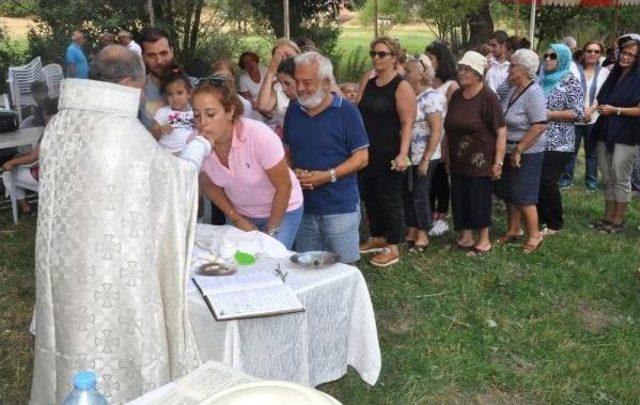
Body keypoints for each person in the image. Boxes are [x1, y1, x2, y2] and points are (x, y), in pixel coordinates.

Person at [31, 45, 205, 404]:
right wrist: (200, 146)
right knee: (111, 331)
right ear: (127, 83)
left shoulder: (61, 124)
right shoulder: (123, 133)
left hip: (66, 262)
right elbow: (173, 181)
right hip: (110, 269)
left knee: (70, 333)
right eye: (140, 87)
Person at [197, 77, 304, 249]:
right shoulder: (196, 142)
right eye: (196, 114)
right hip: (240, 212)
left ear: (230, 111)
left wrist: (270, 234)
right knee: (238, 262)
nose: (202, 122)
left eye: (210, 114)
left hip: (283, 210)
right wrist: (236, 218)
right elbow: (207, 182)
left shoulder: (259, 136)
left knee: (269, 260)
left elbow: (284, 187)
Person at [283, 51, 368, 263]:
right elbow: (286, 151)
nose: (300, 88)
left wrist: (327, 175)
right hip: (302, 208)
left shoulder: (346, 112)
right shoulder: (293, 110)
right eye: (297, 81)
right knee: (307, 268)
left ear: (326, 82)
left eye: (307, 82)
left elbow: (362, 157)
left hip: (339, 208)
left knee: (344, 268)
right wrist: (293, 172)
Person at [358, 36, 416, 267]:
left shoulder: (401, 86)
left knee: (390, 198)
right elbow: (357, 108)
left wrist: (403, 155)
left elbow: (407, 124)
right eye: (373, 53)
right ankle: (378, 236)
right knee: (370, 195)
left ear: (394, 58)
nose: (376, 58)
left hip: (390, 151)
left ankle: (393, 246)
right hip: (367, 149)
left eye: (382, 54)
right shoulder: (368, 80)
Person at [443, 51, 506, 256]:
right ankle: (466, 236)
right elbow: (448, 126)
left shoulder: (488, 97)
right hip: (458, 158)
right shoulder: (457, 95)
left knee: (478, 199)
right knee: (460, 197)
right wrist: (446, 153)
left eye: (466, 69)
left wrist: (498, 161)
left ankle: (484, 239)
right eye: (460, 68)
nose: (461, 72)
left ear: (478, 73)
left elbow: (501, 130)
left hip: (480, 161)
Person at [494, 49, 547, 254]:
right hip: (509, 147)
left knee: (524, 195)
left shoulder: (534, 92)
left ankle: (534, 234)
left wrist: (519, 149)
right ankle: (514, 229)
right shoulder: (513, 88)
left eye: (513, 65)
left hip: (528, 150)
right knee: (509, 192)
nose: (509, 68)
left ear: (524, 70)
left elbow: (540, 125)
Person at [592, 34, 640, 233]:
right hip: (605, 129)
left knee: (621, 176)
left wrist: (616, 110)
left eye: (630, 54)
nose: (625, 57)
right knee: (608, 176)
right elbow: (601, 98)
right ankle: (607, 217)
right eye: (623, 52)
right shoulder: (614, 74)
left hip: (627, 133)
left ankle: (618, 221)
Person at [537, 44, 584, 235]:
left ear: (563, 59)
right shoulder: (540, 80)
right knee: (538, 180)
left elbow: (578, 112)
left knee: (547, 180)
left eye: (553, 56)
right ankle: (540, 217)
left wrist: (550, 114)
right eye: (546, 55)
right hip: (537, 139)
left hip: (560, 141)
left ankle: (555, 223)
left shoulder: (570, 82)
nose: (548, 59)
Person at [402, 55, 445, 251]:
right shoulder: (411, 96)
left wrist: (426, 159)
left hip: (425, 156)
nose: (404, 74)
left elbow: (436, 130)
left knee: (420, 194)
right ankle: (412, 228)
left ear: (420, 75)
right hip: (409, 155)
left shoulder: (432, 97)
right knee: (409, 193)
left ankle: (423, 233)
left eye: (408, 71)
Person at [560, 41, 610, 190]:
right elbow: (567, 92)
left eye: (596, 51)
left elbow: (605, 95)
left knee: (592, 153)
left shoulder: (605, 73)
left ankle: (591, 183)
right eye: (589, 51)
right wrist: (581, 111)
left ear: (601, 54)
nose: (592, 54)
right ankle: (567, 180)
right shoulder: (573, 70)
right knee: (570, 151)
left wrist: (591, 110)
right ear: (583, 53)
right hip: (574, 118)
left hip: (594, 119)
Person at [425, 41, 459, 236]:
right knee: (426, 179)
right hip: (425, 138)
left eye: (431, 58)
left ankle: (442, 216)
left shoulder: (451, 86)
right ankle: (427, 213)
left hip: (442, 137)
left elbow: (452, 116)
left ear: (441, 60)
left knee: (440, 179)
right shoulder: (426, 82)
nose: (427, 62)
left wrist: (447, 146)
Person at [256, 39, 301, 132]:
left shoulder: (312, 79)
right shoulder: (277, 85)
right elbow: (263, 107)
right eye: (279, 58)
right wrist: (271, 72)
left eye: (288, 56)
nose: (284, 60)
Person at [139, 27, 176, 130]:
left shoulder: (192, 86)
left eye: (163, 53)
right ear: (143, 58)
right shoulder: (138, 91)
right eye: (151, 55)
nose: (159, 61)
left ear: (172, 52)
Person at [151, 69, 195, 154]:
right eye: (170, 94)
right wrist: (160, 129)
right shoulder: (163, 112)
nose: (175, 98)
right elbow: (152, 134)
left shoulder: (194, 114)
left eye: (179, 93)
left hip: (187, 153)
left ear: (189, 94)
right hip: (166, 153)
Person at [238, 51, 267, 116]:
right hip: (255, 109)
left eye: (252, 60)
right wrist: (262, 110)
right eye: (246, 63)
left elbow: (275, 89)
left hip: (271, 104)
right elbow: (248, 101)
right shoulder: (243, 78)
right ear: (243, 66)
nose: (250, 64)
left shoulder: (265, 70)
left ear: (256, 61)